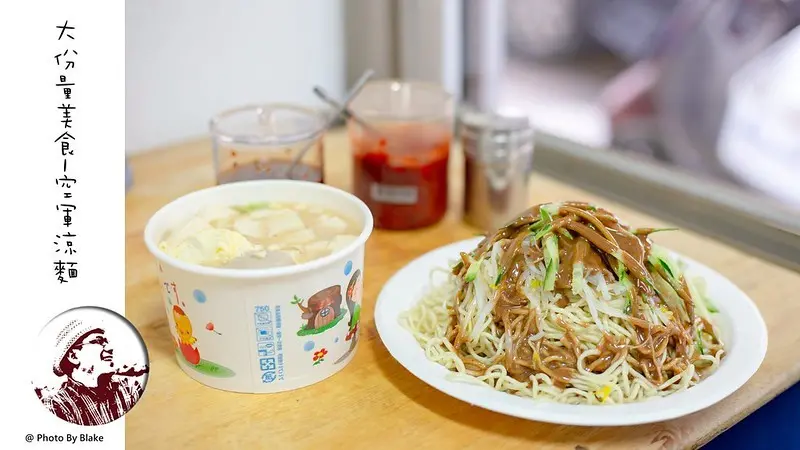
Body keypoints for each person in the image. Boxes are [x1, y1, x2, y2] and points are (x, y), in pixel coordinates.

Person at [39, 319, 144, 426]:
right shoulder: (57, 405)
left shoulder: (129, 388)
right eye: (98, 341)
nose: (110, 348)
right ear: (73, 356)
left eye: (106, 342)